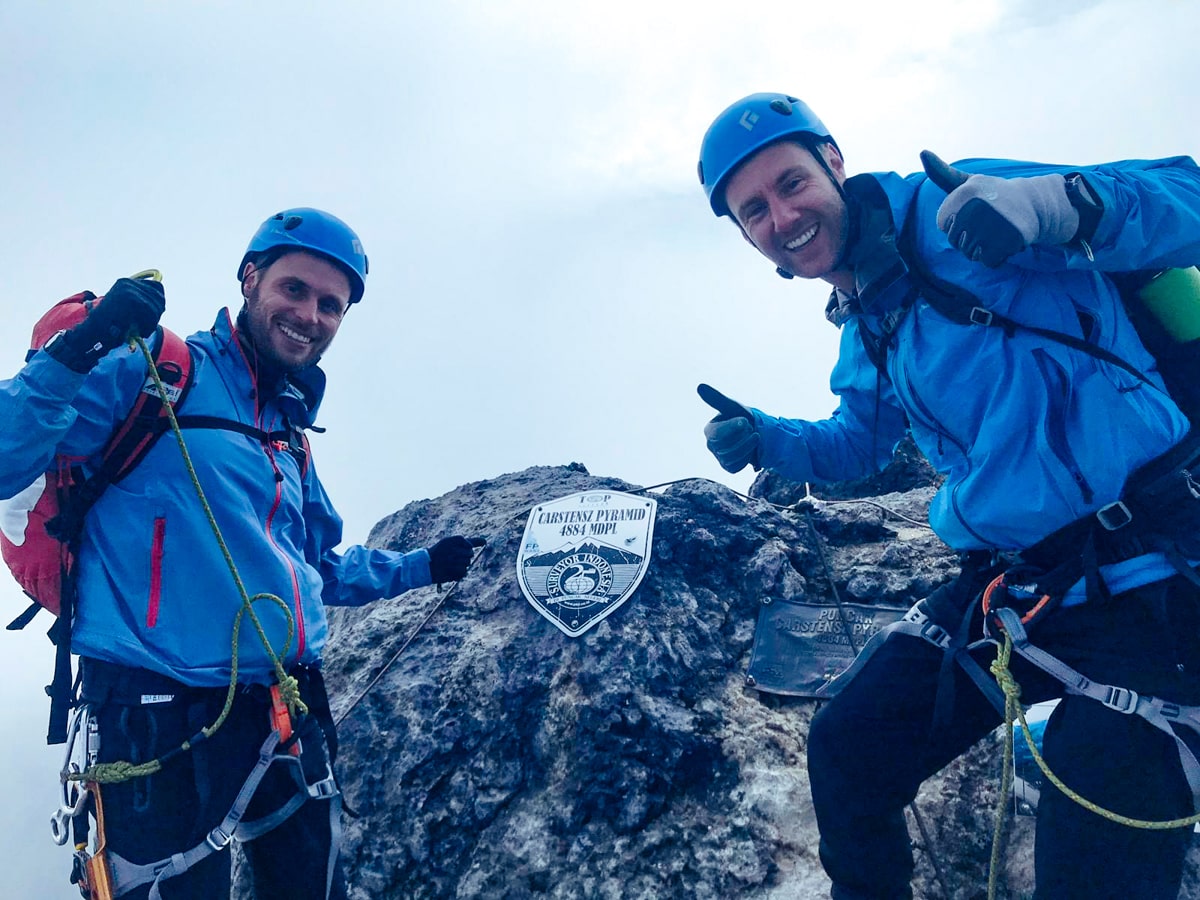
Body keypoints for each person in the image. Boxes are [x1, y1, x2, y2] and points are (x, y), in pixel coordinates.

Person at [696, 92, 1200, 899]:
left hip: (1150, 578)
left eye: (790, 184)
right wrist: (767, 436)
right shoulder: (868, 312)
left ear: (833, 160)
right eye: (752, 210)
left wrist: (1058, 204)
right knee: (848, 748)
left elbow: (1187, 195)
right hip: (1018, 585)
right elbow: (858, 440)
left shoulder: (960, 209)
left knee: (1089, 867)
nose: (780, 217)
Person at [0, 208, 481, 899]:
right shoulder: (153, 374)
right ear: (250, 279)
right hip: (156, 721)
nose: (309, 315)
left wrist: (422, 566)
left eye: (329, 306)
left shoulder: (287, 430)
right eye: (294, 289)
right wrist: (79, 349)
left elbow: (312, 566)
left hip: (285, 710)